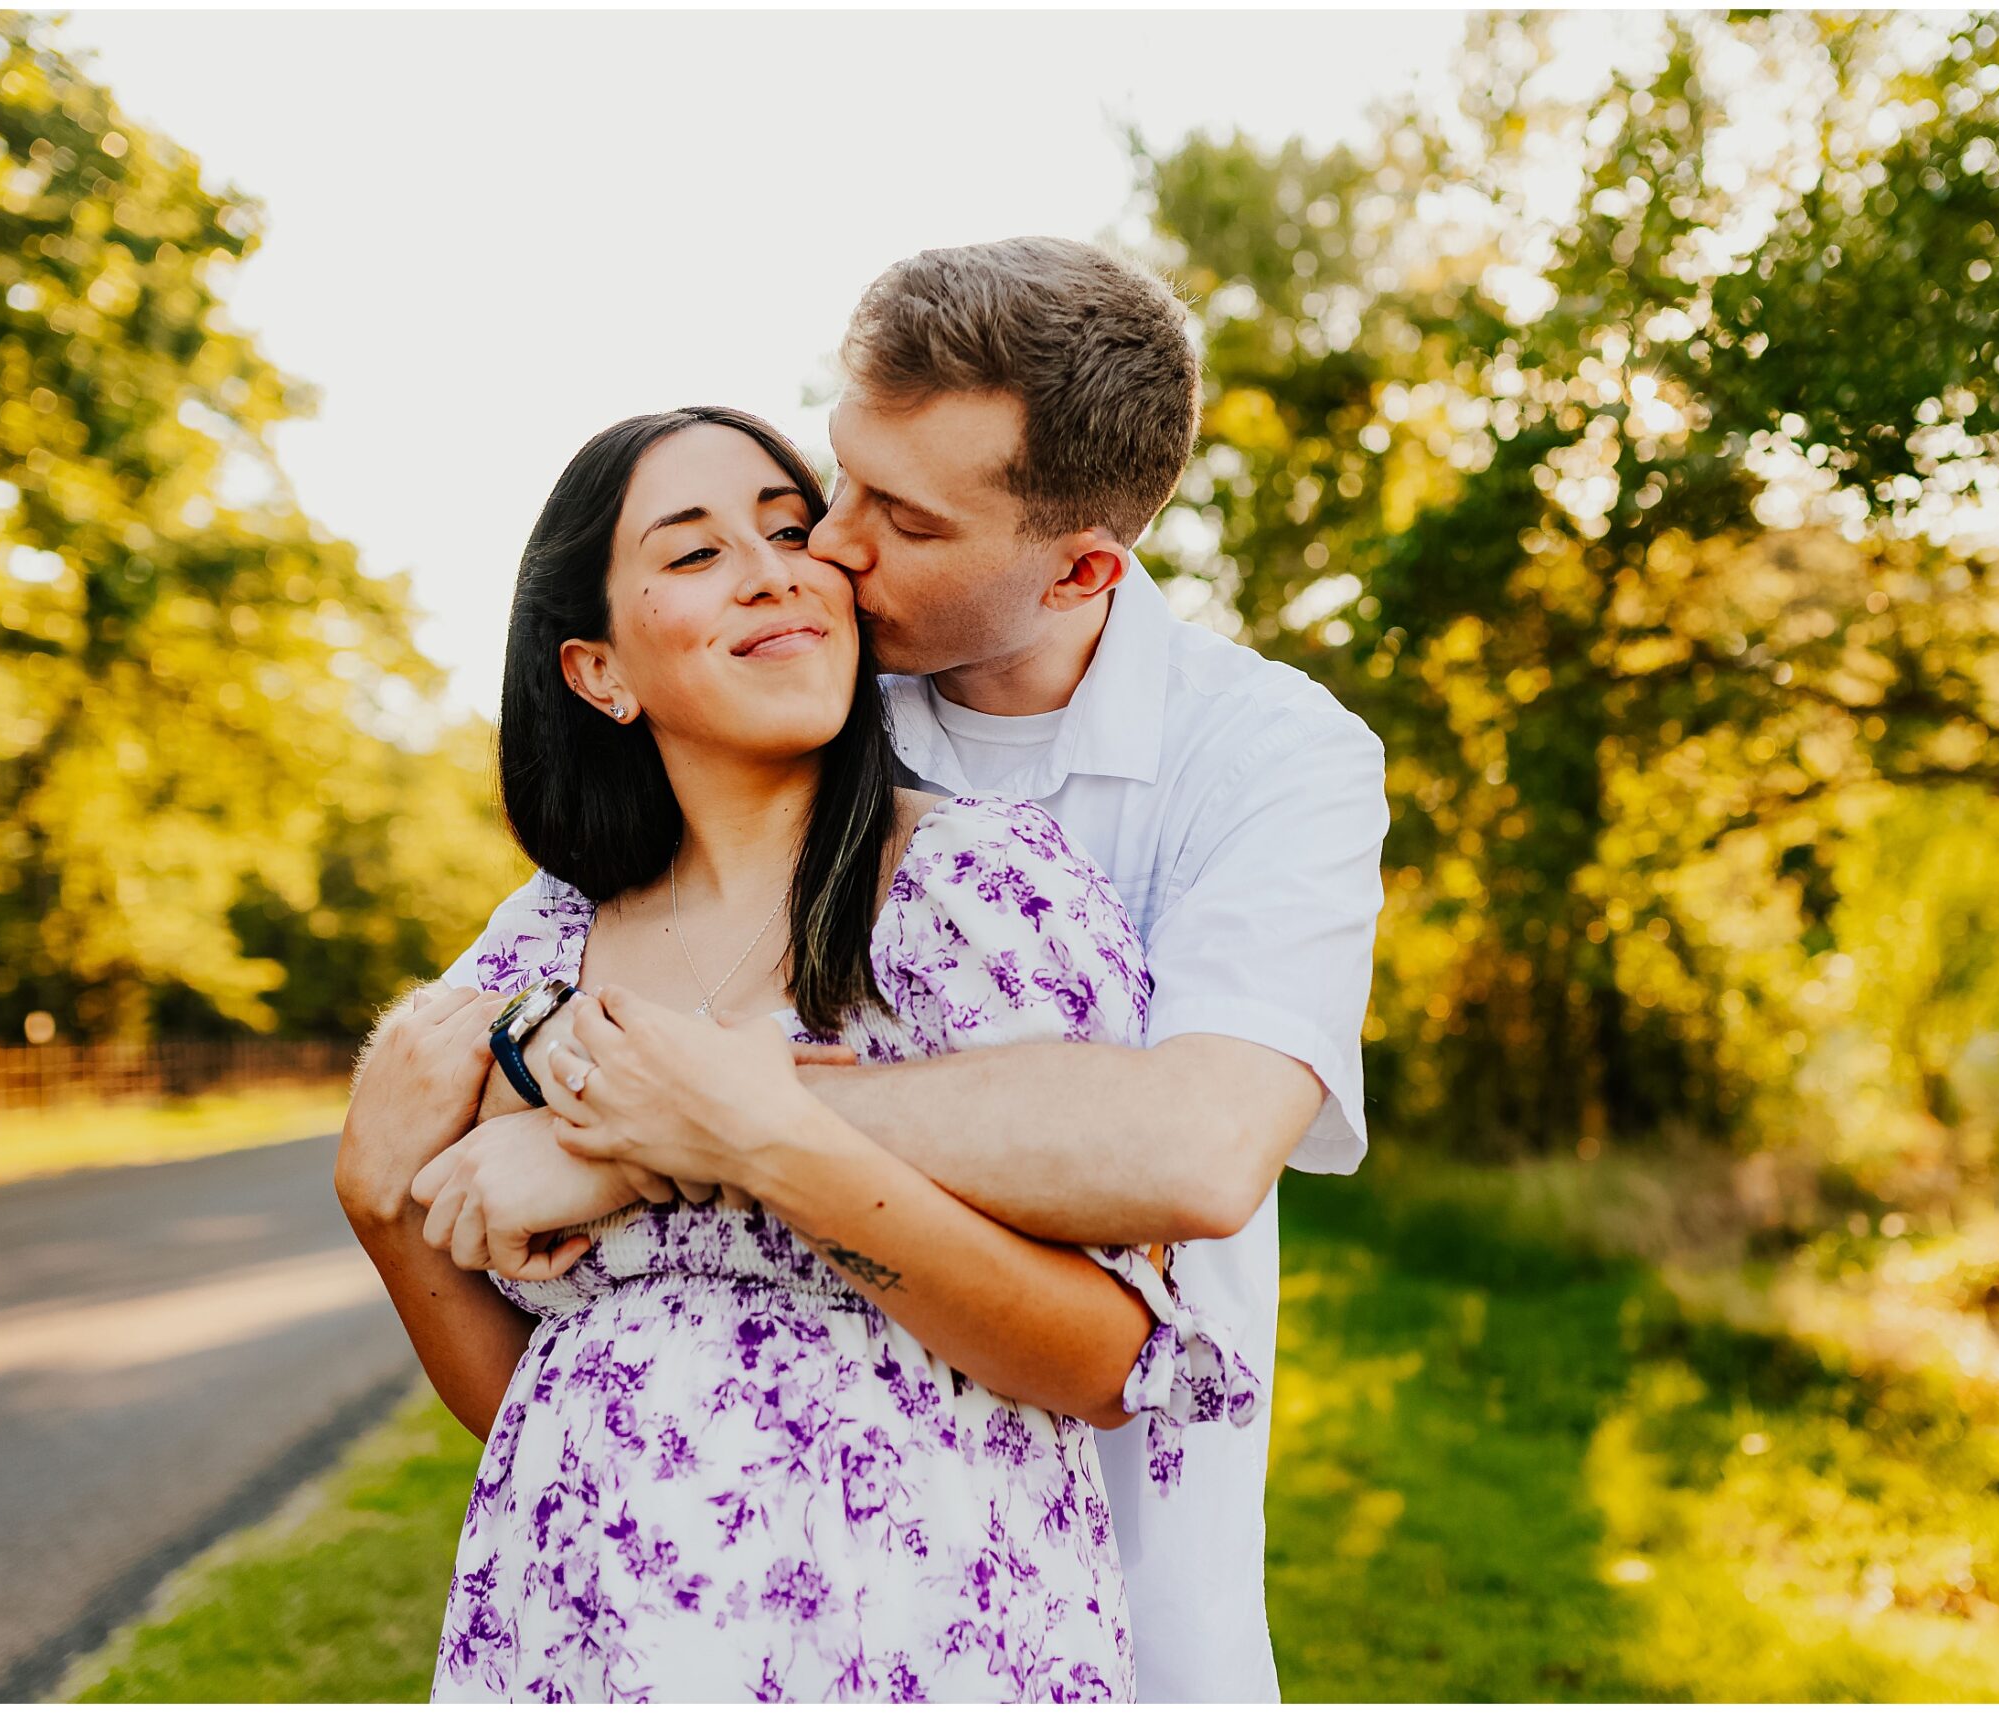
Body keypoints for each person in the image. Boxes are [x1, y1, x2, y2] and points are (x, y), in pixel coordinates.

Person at [346, 237, 1390, 1701]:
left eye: (891, 514)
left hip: (1052, 1577)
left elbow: (1195, 1147)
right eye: (835, 477)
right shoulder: (780, 706)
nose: (824, 547)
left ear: (1083, 565)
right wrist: (460, 1173)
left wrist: (696, 1131)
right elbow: (491, 1127)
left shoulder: (1256, 765)